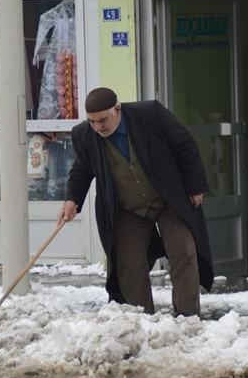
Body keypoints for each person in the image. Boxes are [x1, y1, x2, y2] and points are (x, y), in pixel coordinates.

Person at [58, 87, 214, 316]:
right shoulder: (84, 135)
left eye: (103, 120)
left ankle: (187, 317)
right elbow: (82, 170)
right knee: (128, 265)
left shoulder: (150, 114)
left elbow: (185, 146)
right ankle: (140, 319)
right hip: (128, 209)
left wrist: (195, 186)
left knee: (183, 255)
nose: (98, 127)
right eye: (92, 122)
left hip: (169, 201)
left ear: (117, 109)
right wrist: (72, 200)